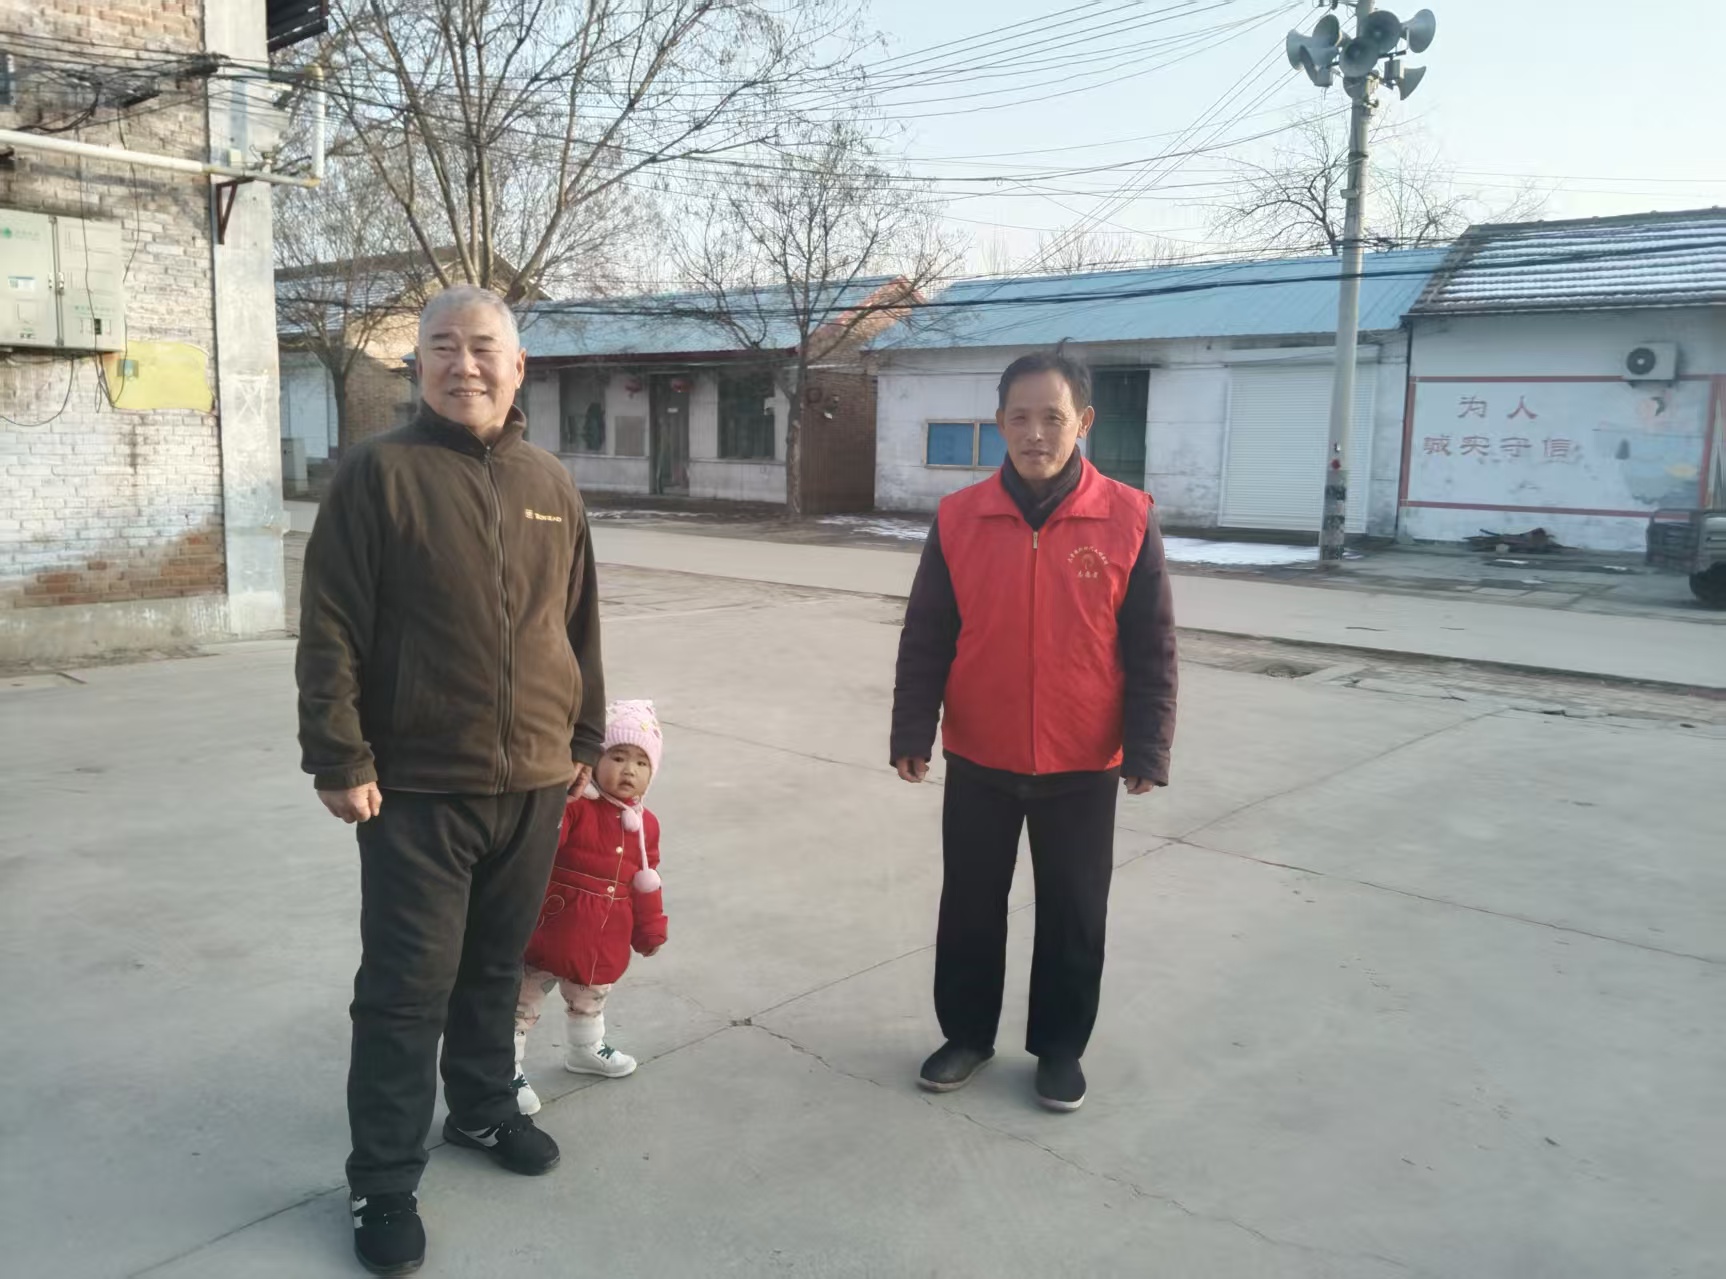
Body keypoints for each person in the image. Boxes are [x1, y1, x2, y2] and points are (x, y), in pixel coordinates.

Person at [296, 284, 605, 1276]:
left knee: (494, 968)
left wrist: (584, 739)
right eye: (442, 346)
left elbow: (577, 623)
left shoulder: (549, 482)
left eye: (482, 348)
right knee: (404, 989)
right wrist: (339, 754)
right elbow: (331, 624)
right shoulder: (377, 474)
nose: (463, 364)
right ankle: (384, 1178)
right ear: (418, 363)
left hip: (534, 779)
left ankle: (479, 1108)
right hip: (417, 787)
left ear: (517, 367)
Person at [890, 350, 1177, 1114]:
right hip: (980, 752)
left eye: (1053, 417)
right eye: (1019, 417)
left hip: (1083, 757)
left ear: (1084, 422)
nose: (1035, 433)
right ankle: (966, 1035)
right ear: (999, 423)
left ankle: (1059, 1047)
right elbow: (927, 632)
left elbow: (1151, 642)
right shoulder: (961, 517)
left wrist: (1148, 743)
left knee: (1074, 912)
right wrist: (913, 727)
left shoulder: (1128, 516)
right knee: (970, 906)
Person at [512, 699, 668, 1114]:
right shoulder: (575, 808)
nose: (629, 770)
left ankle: (585, 1049)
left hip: (604, 935)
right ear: (594, 761)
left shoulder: (646, 825)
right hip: (552, 928)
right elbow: (538, 851)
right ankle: (505, 1069)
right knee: (522, 1001)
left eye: (641, 762)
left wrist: (650, 928)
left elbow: (646, 879)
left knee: (592, 995)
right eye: (617, 757)